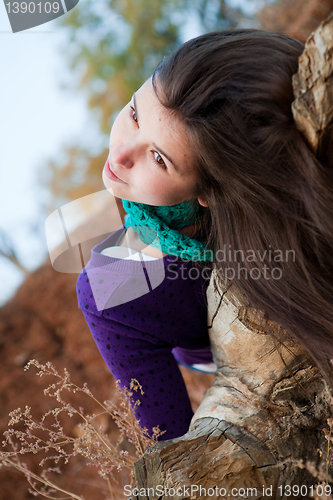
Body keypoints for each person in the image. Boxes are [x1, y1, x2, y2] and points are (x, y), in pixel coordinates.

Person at [77, 28, 333, 442]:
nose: (120, 155)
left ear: (214, 193)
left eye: (157, 158)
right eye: (134, 113)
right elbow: (173, 446)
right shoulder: (109, 288)